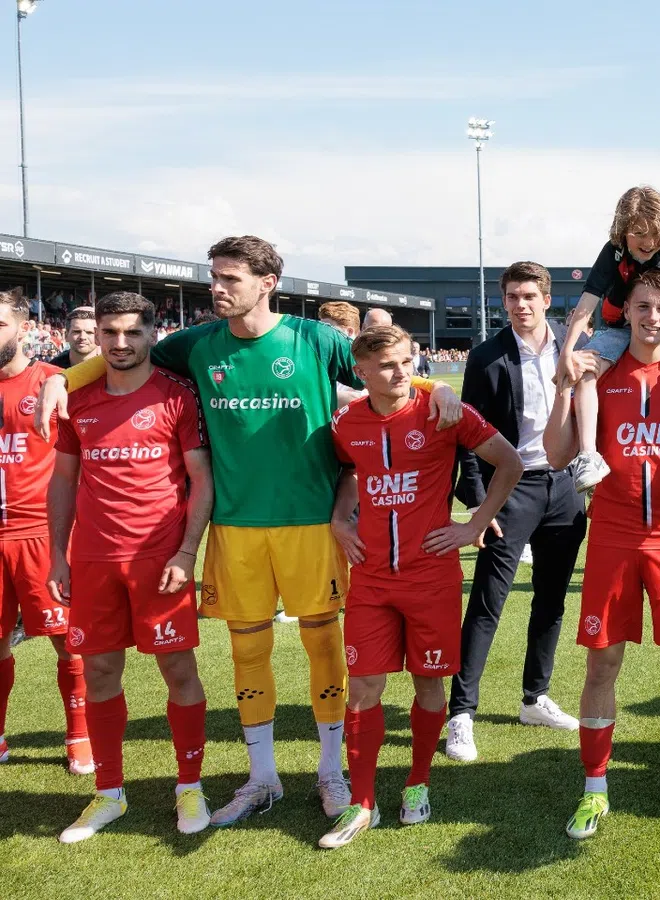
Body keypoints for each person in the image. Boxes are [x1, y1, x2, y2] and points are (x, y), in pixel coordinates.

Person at [35, 235, 461, 825]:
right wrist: (63, 379)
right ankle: (262, 778)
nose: (217, 288)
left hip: (310, 523)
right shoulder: (196, 344)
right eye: (215, 276)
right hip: (234, 526)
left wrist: (431, 385)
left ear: (266, 284)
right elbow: (123, 355)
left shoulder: (314, 339)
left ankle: (331, 772)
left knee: (322, 643)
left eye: (229, 279)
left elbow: (380, 372)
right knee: (248, 650)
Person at [545, 268, 660, 837]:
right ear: (624, 311)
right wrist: (562, 386)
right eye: (643, 306)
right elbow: (557, 454)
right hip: (612, 535)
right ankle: (595, 786)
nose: (654, 317)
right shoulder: (599, 371)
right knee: (603, 660)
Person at [322, 324, 522, 848]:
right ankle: (362, 803)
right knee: (363, 687)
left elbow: (510, 462)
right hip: (369, 579)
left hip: (431, 576)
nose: (401, 372)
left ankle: (417, 781)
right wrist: (341, 519)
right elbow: (347, 472)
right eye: (386, 365)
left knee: (429, 685)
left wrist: (474, 525)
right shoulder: (346, 422)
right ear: (361, 372)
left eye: (406, 361)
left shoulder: (441, 410)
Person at [47, 291, 212, 842]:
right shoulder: (79, 399)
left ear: (151, 334)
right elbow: (64, 481)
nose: (120, 343)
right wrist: (57, 555)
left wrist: (186, 553)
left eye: (132, 332)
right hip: (93, 561)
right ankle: (109, 793)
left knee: (179, 672)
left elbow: (202, 482)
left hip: (160, 560)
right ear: (97, 337)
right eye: (110, 333)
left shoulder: (176, 396)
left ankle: (189, 786)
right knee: (97, 673)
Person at [448, 262, 590, 759]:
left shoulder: (572, 351)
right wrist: (478, 505)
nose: (520, 304)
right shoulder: (487, 357)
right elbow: (466, 438)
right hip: (512, 489)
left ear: (547, 299)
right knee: (488, 600)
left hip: (564, 486)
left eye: (529, 295)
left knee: (551, 599)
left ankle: (535, 697)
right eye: (511, 297)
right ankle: (461, 712)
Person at [558, 185, 660, 499]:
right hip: (619, 327)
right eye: (639, 234)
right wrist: (568, 352)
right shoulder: (612, 250)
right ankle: (588, 456)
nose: (648, 243)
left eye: (654, 236)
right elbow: (587, 302)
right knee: (586, 369)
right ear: (623, 231)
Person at [0, 288, 91, 775]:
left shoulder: (55, 380)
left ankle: (79, 733)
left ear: (22, 327)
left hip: (39, 533)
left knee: (67, 640)